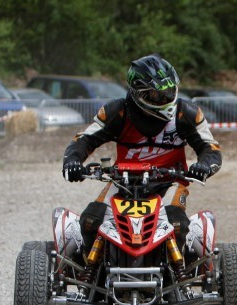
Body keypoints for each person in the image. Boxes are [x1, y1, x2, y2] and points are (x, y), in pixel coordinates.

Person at [61, 53, 222, 254]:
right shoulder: (118, 112)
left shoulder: (186, 113)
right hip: (122, 182)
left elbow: (210, 148)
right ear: (139, 94)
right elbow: (84, 140)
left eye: (170, 90)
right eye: (157, 95)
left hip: (168, 183)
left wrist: (205, 166)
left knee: (177, 226)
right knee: (90, 222)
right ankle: (91, 277)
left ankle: (177, 282)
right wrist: (72, 162)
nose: (166, 98)